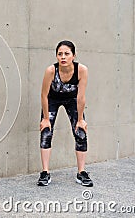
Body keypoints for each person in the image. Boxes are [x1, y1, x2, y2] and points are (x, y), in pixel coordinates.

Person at [37, 40, 93, 187]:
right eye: (59, 54)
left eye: (66, 54)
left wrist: (80, 120)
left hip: (72, 100)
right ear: (56, 56)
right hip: (52, 99)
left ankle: (81, 173)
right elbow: (43, 95)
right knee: (46, 132)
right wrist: (45, 118)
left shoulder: (81, 70)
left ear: (73, 55)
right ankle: (45, 172)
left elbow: (81, 97)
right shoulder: (51, 71)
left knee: (81, 133)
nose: (63, 57)